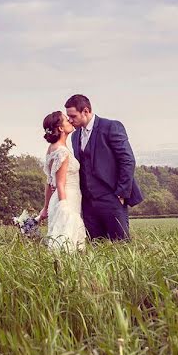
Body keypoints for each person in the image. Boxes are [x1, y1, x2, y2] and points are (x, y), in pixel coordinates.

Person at [65, 94, 143, 241]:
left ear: (86, 111)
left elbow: (127, 160)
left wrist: (121, 193)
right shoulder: (75, 136)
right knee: (95, 247)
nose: (70, 120)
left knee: (121, 244)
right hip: (88, 203)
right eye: (68, 116)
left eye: (73, 116)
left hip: (112, 197)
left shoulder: (111, 126)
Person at [37, 111, 87, 252]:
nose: (70, 121)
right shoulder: (62, 152)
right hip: (67, 198)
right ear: (60, 128)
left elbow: (49, 181)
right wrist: (64, 206)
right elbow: (59, 183)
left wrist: (46, 207)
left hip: (57, 199)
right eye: (66, 120)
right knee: (67, 239)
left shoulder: (52, 149)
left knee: (59, 238)